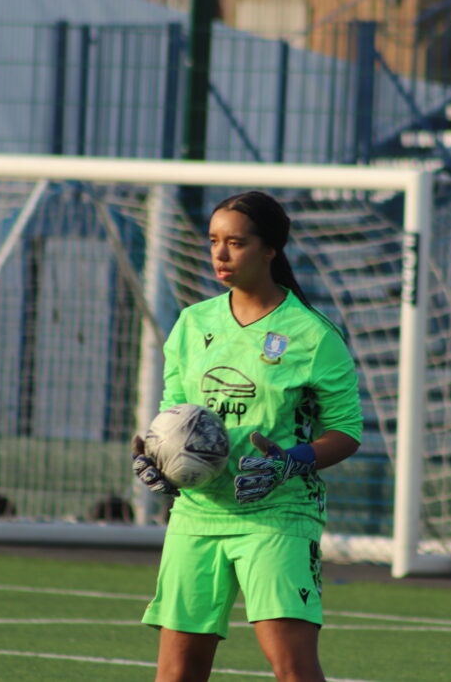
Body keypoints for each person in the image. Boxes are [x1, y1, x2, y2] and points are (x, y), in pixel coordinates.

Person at [132, 190, 363, 682]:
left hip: (278, 514)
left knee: (294, 669)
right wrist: (158, 458)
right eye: (214, 241)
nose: (219, 254)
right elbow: (173, 417)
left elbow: (346, 432)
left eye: (235, 243)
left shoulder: (313, 335)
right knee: (176, 674)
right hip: (197, 514)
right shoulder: (193, 324)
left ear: (270, 249)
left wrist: (290, 460)